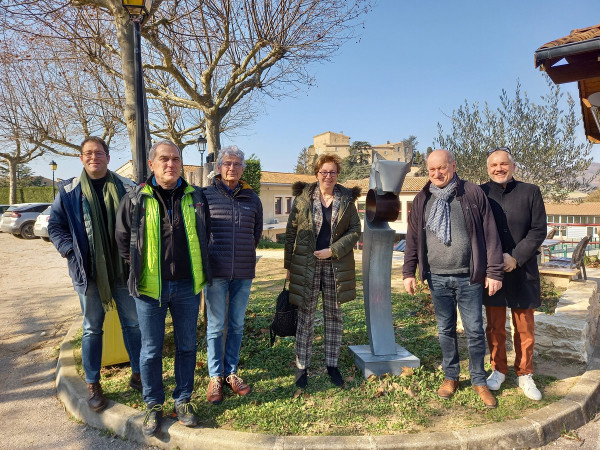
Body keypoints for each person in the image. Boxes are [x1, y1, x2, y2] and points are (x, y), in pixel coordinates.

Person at [115, 140, 211, 437]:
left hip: (186, 286)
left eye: (176, 159)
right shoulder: (135, 198)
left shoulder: (196, 196)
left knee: (187, 346)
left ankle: (182, 400)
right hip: (149, 289)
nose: (171, 164)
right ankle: (154, 404)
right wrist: (142, 266)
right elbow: (122, 240)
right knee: (151, 349)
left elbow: (205, 233)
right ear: (152, 165)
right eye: (164, 159)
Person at [402, 149, 503, 408]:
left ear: (453, 166)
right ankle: (451, 377)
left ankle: (479, 380)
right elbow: (413, 239)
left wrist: (493, 271)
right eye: (432, 169)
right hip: (437, 277)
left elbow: (490, 233)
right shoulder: (423, 198)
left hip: (468, 278)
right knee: (445, 330)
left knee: (474, 331)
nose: (437, 173)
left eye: (442, 168)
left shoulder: (470, 193)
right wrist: (408, 272)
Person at [48, 136, 142, 413]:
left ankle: (138, 374)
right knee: (91, 328)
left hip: (124, 270)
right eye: (88, 154)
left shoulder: (128, 188)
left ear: (107, 157)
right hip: (88, 273)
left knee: (133, 324)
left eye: (98, 153)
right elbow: (55, 226)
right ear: (81, 158)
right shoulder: (69, 191)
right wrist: (70, 251)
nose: (93, 158)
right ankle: (93, 383)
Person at [284, 153, 361, 389]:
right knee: (305, 317)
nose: (328, 176)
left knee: (333, 316)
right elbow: (290, 233)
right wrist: (288, 267)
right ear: (317, 173)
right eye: (324, 172)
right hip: (306, 264)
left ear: (338, 175)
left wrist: (333, 250)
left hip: (334, 265)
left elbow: (355, 231)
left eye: (333, 172)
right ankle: (301, 367)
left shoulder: (347, 200)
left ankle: (332, 365)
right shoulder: (303, 199)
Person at [481, 147, 546, 401]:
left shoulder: (531, 192)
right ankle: (498, 369)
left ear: (513, 166)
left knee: (524, 328)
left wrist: (515, 257)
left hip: (523, 269)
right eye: (493, 165)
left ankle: (525, 373)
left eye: (503, 164)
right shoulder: (481, 192)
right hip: (492, 272)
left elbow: (538, 229)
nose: (498, 168)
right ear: (488, 169)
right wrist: (496, 261)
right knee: (495, 326)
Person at [203, 146, 263, 405]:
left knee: (236, 324)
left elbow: (256, 234)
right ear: (218, 167)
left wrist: (245, 255)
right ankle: (215, 376)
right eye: (227, 163)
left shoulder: (253, 199)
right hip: (215, 271)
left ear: (242, 169)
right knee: (216, 326)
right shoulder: (205, 196)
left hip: (243, 272)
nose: (232, 168)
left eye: (237, 164)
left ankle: (231, 372)